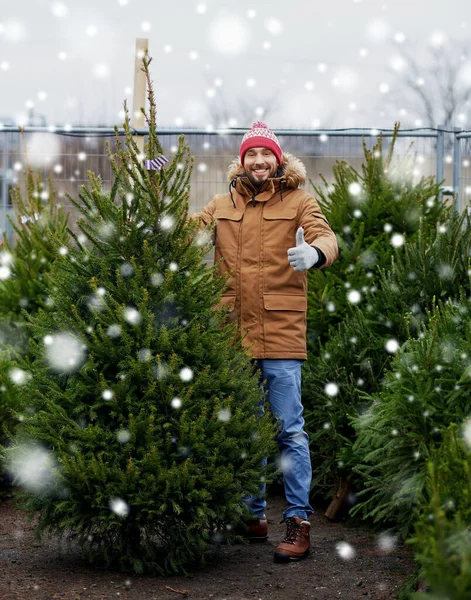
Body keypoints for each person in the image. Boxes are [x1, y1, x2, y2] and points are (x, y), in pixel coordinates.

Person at [194, 122, 338, 562]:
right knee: (246, 431)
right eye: (250, 155)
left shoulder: (299, 202)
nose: (258, 161)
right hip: (232, 334)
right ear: (241, 161)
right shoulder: (221, 204)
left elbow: (326, 238)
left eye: (266, 154)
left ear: (278, 159)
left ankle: (298, 521)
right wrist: (151, 178)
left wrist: (315, 253)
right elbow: (180, 231)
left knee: (289, 432)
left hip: (280, 334)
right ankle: (252, 515)